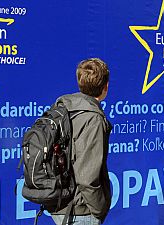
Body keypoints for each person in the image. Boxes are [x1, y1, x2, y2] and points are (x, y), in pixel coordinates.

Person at [50, 58, 112, 225]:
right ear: (105, 87)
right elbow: (87, 177)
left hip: (60, 202)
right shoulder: (93, 118)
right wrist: (99, 209)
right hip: (80, 210)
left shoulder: (65, 107)